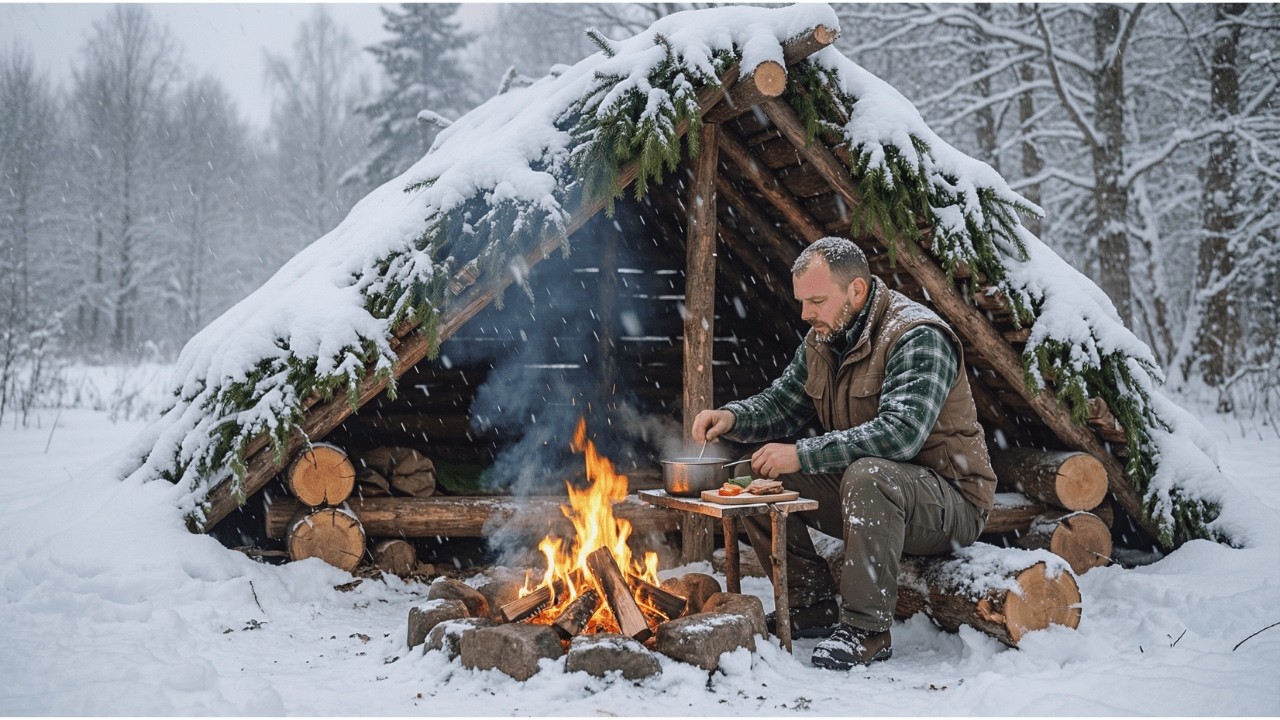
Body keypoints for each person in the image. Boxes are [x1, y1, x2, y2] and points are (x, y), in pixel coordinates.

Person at [691, 236, 995, 670]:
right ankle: (810, 602)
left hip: (948, 501)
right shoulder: (824, 337)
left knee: (868, 475)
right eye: (802, 301)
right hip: (871, 492)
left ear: (857, 289)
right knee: (749, 476)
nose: (805, 314)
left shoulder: (918, 337)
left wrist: (802, 454)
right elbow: (783, 403)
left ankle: (867, 630)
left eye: (816, 300)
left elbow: (900, 436)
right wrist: (732, 417)